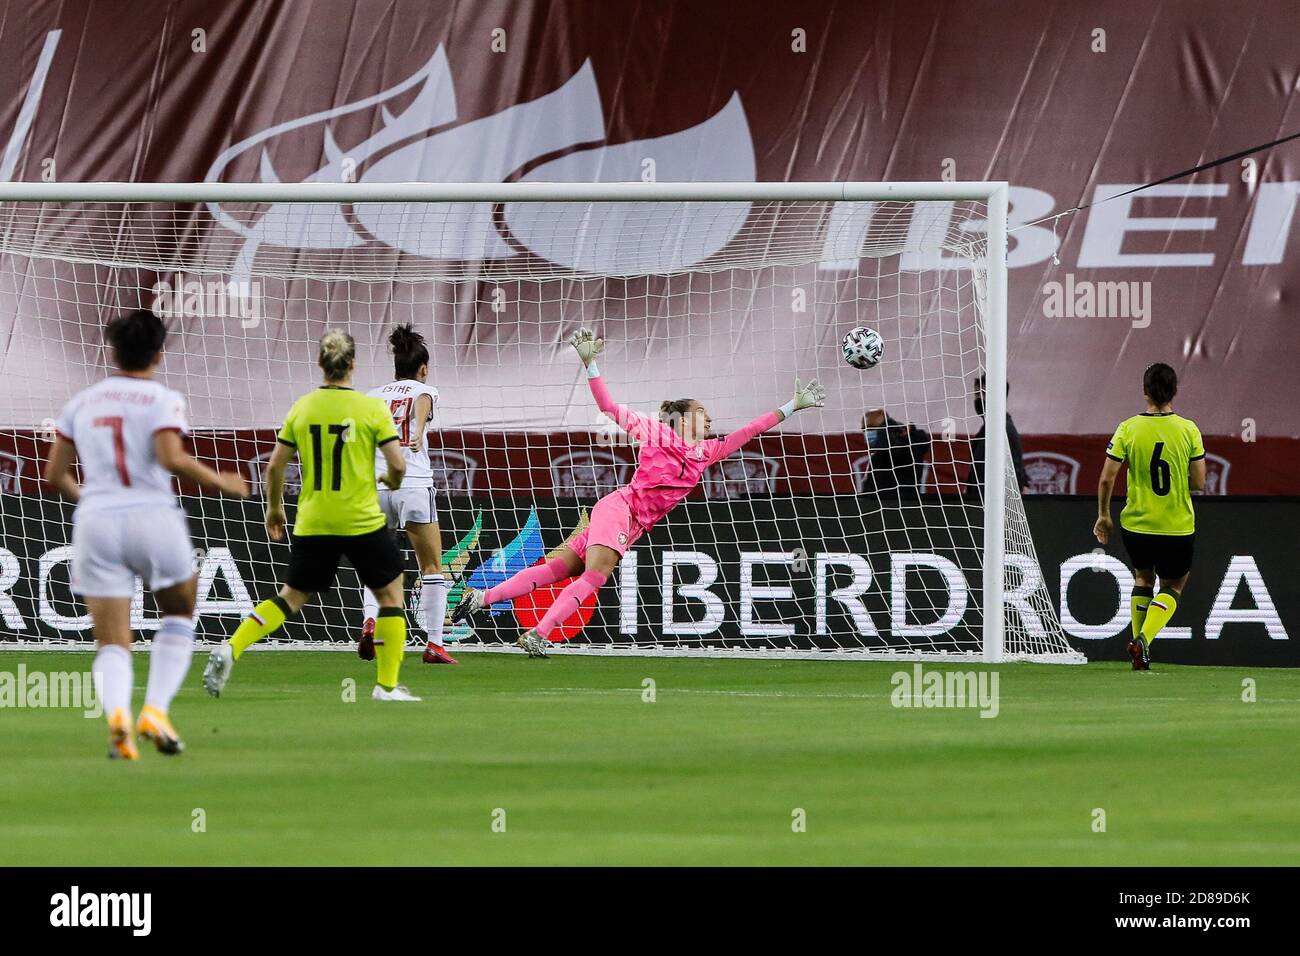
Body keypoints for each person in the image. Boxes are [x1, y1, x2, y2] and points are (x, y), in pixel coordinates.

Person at [452, 327, 826, 657]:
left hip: (631, 525)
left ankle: (481, 597)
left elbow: (749, 431)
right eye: (703, 412)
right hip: (619, 509)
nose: (710, 419)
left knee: (557, 569)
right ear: (682, 418)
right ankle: (539, 634)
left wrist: (793, 406)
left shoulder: (705, 452)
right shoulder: (656, 432)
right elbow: (608, 407)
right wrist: (590, 364)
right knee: (595, 577)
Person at [43, 309, 249, 759]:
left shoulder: (82, 402)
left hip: (96, 521)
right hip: (152, 517)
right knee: (179, 609)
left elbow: (54, 474)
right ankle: (154, 710)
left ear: (113, 352)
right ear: (159, 353)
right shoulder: (161, 398)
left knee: (112, 639)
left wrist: (96, 503)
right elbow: (170, 456)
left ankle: (117, 715)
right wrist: (222, 482)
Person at [203, 329, 419, 700]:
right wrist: (390, 477)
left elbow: (274, 467)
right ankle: (385, 686)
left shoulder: (303, 407)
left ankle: (230, 648)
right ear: (353, 363)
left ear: (322, 364)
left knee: (289, 598)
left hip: (314, 519)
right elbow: (398, 464)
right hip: (360, 519)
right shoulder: (370, 409)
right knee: (390, 596)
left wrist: (274, 509)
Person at [1093, 363, 1205, 671]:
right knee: (1173, 586)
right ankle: (1143, 641)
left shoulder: (1128, 428)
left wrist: (1104, 515)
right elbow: (1198, 482)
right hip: (1176, 526)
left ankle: (1139, 651)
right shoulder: (1188, 429)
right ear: (1175, 391)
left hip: (1137, 525)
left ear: (1145, 392)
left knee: (1143, 577)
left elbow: (1106, 478)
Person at [359, 324, 456, 665]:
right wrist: (418, 430)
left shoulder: (371, 396)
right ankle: (434, 644)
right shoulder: (425, 389)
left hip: (376, 487)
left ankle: (370, 620)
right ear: (423, 367)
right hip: (413, 485)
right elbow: (424, 401)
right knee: (431, 566)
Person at [964, 374, 1028, 497]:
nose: (980, 399)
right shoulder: (987, 430)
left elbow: (1014, 475)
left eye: (985, 393)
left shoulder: (1002, 430)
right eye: (977, 394)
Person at [859, 408, 931, 496]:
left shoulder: (909, 448)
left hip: (904, 505)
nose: (867, 433)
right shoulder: (876, 458)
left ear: (885, 428)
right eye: (864, 430)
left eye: (871, 428)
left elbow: (899, 451)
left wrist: (891, 429)